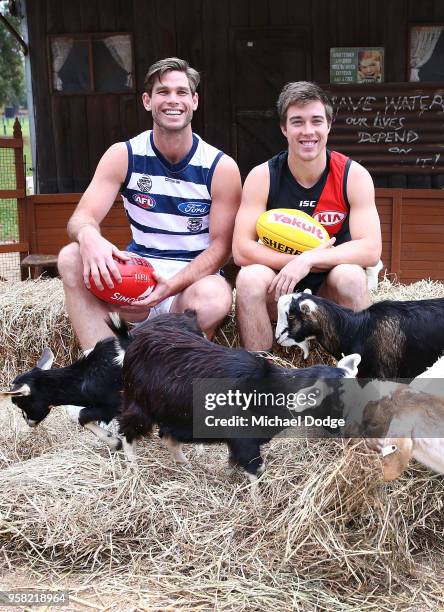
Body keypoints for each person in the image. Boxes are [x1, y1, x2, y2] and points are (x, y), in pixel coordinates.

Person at [58, 57, 241, 350]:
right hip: (137, 276)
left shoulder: (221, 167)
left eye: (182, 92)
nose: (173, 100)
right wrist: (90, 236)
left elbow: (221, 249)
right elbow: (81, 217)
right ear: (147, 101)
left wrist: (172, 285)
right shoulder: (123, 155)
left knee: (215, 297)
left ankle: (167, 364)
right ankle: (104, 366)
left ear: (194, 101)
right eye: (163, 92)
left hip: (189, 283)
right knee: (71, 256)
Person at [232, 81, 381, 352]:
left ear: (329, 125)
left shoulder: (353, 175)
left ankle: (369, 376)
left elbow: (370, 250)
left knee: (352, 276)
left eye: (316, 121)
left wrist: (309, 259)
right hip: (278, 283)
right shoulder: (262, 176)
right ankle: (260, 375)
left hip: (329, 284)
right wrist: (294, 264)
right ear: (284, 128)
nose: (308, 131)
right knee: (248, 278)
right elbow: (242, 249)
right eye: (297, 122)